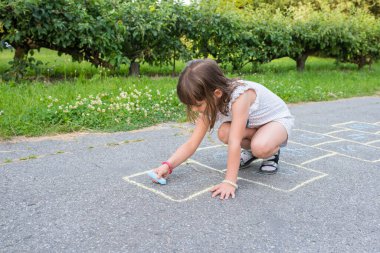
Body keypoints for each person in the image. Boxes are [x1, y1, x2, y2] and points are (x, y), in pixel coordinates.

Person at [152, 59, 294, 200]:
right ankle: (253, 150)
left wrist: (230, 182)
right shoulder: (209, 100)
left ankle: (271, 153)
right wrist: (168, 165)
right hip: (254, 127)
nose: (195, 109)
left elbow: (235, 142)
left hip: (276, 122)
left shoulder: (240, 96)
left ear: (217, 93)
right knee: (224, 132)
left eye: (198, 104)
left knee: (260, 146)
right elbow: (191, 143)